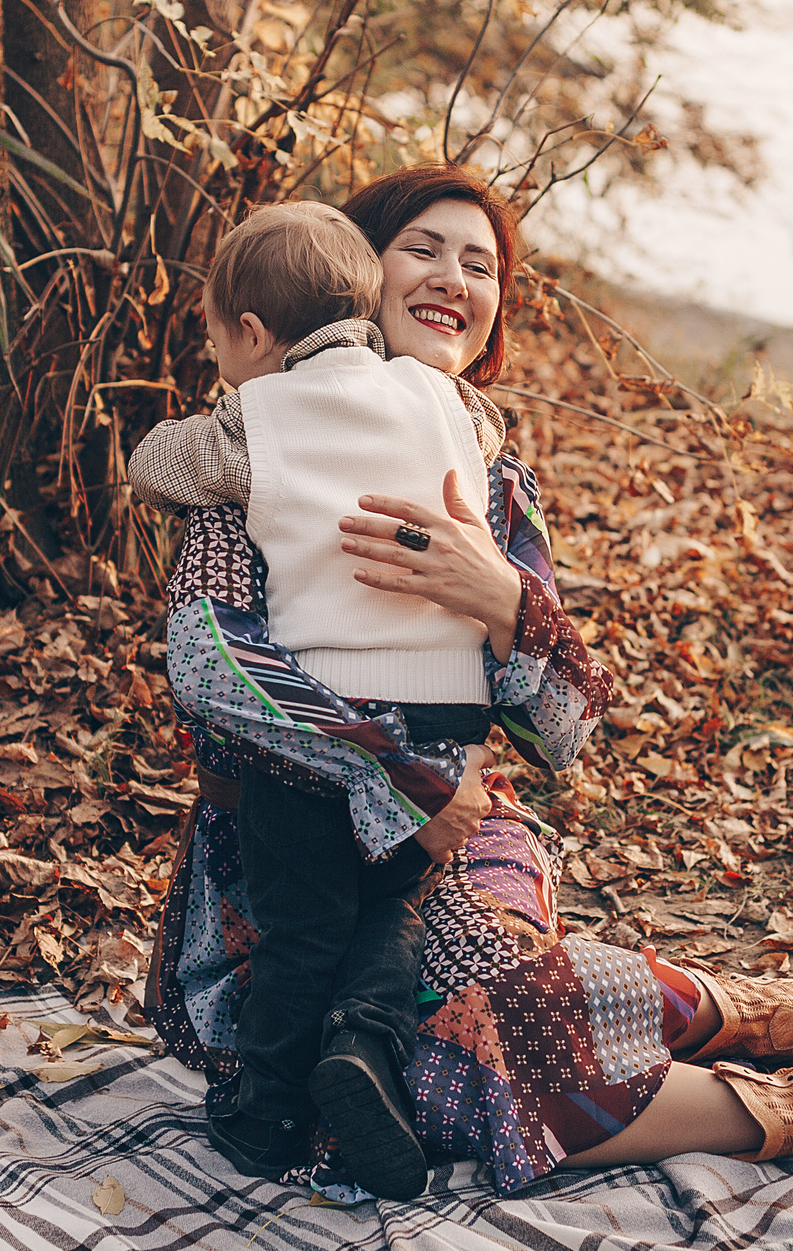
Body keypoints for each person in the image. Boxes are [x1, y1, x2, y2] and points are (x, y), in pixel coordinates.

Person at [148, 165, 793, 1195]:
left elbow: (565, 733)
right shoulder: (267, 442)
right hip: (280, 866)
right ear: (351, 275)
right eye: (421, 249)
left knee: (486, 1009)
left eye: (481, 266)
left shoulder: (488, 470)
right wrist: (393, 778)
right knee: (405, 1081)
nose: (452, 281)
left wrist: (502, 600)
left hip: (459, 838)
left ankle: (775, 1033)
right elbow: (208, 660)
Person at [127, 201, 510, 1198]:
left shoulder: (256, 418)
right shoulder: (449, 404)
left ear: (252, 336)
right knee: (398, 898)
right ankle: (362, 1039)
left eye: (217, 342)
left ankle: (268, 1113)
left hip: (316, 724)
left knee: (303, 918)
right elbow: (491, 435)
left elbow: (155, 468)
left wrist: (211, 428)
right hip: (447, 722)